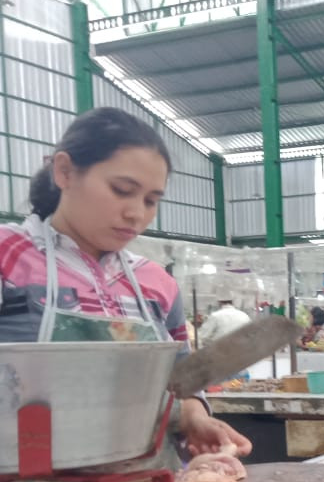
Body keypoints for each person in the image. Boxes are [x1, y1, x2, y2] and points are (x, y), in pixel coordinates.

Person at [0, 107, 250, 459]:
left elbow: (182, 380)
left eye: (151, 201)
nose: (137, 213)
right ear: (65, 171)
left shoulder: (156, 282)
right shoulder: (8, 255)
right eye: (122, 190)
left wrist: (194, 415)